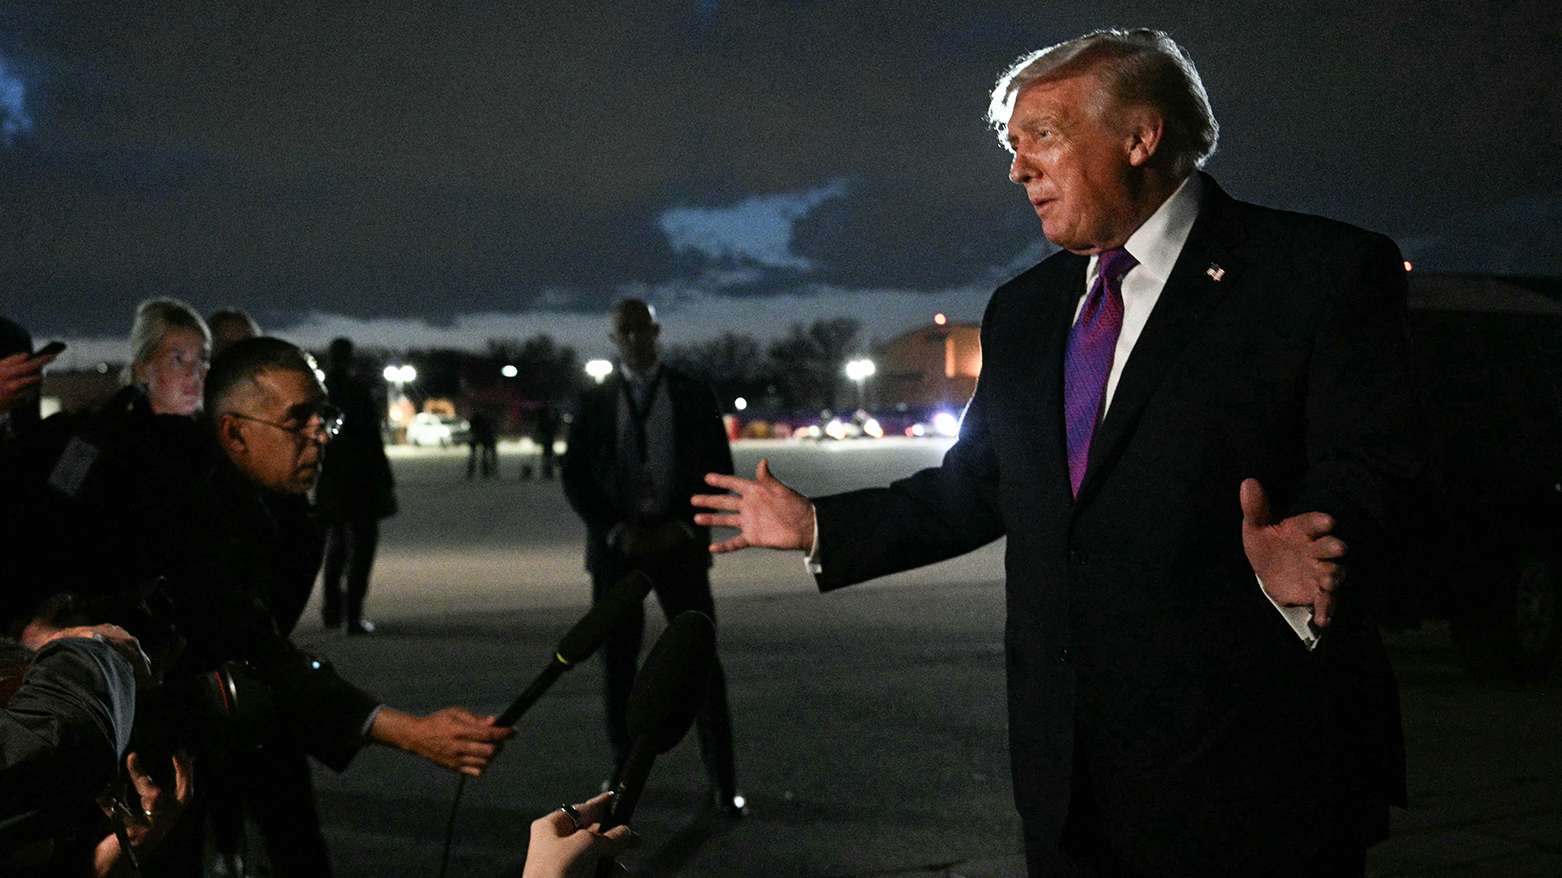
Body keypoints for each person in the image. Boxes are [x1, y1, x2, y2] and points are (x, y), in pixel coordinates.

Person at [694, 29, 1427, 877]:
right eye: (1011, 146)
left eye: (1039, 135)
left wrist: (1317, 547)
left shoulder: (1317, 271)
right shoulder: (1026, 309)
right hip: (1069, 786)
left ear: (1140, 136)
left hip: (1255, 776)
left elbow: (1380, 465)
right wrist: (820, 524)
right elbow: (979, 485)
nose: (1016, 170)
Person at [562, 299, 744, 817]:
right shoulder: (595, 400)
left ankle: (723, 781)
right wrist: (615, 530)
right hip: (619, 550)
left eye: (644, 328)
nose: (637, 338)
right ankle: (621, 773)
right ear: (613, 337)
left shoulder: (691, 393)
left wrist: (684, 527)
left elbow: (718, 465)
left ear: (657, 331)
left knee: (702, 662)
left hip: (679, 547)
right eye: (626, 330)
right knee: (617, 664)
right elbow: (574, 473)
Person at [315, 337, 397, 636]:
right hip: (360, 482)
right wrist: (385, 483)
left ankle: (332, 610)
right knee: (361, 549)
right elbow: (372, 443)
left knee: (335, 547)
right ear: (351, 359)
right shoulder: (358, 391)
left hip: (331, 482)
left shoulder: (321, 393)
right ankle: (353, 615)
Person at [125, 299, 211, 417]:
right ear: (142, 369)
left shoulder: (218, 430)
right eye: (177, 360)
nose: (194, 373)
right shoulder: (114, 432)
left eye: (203, 359)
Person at [467, 410, 499, 480]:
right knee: (486, 455)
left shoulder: (475, 421)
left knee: (475, 456)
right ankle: (487, 472)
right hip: (485, 438)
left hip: (477, 438)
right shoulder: (488, 422)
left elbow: (471, 429)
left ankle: (472, 472)